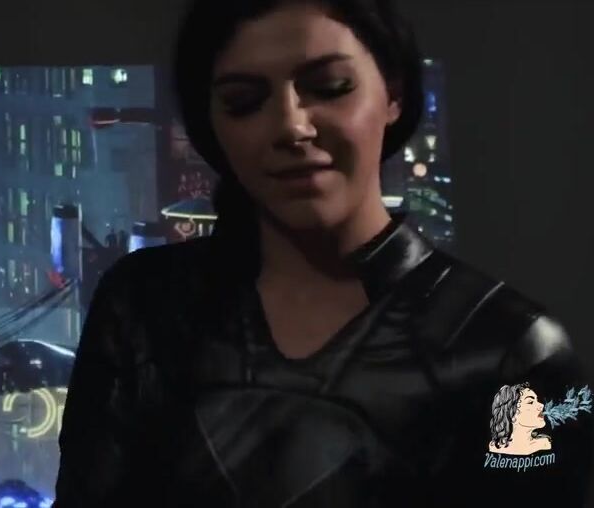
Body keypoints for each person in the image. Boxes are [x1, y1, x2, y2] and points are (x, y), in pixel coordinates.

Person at [53, 0, 592, 506]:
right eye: (244, 102)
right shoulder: (143, 305)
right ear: (210, 125)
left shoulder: (512, 348)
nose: (292, 126)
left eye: (331, 87)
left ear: (394, 94)